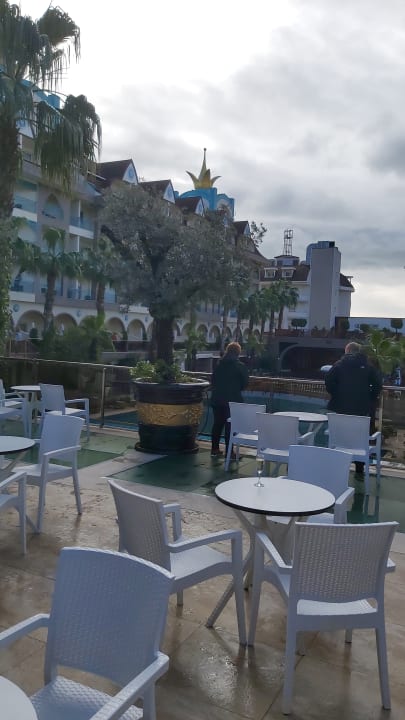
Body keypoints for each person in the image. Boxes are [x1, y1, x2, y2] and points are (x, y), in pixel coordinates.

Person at [325, 341, 382, 474]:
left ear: (347, 351)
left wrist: (336, 394)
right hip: (361, 409)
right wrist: (370, 397)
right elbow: (378, 384)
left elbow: (328, 381)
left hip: (340, 408)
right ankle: (359, 470)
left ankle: (337, 466)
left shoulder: (339, 365)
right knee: (360, 438)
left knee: (340, 436)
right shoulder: (367, 366)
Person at [210, 342, 249, 457]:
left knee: (217, 424)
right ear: (238, 353)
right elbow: (245, 383)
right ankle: (229, 451)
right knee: (230, 426)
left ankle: (214, 449)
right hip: (233, 401)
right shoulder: (240, 366)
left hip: (217, 399)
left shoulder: (219, 365)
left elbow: (213, 381)